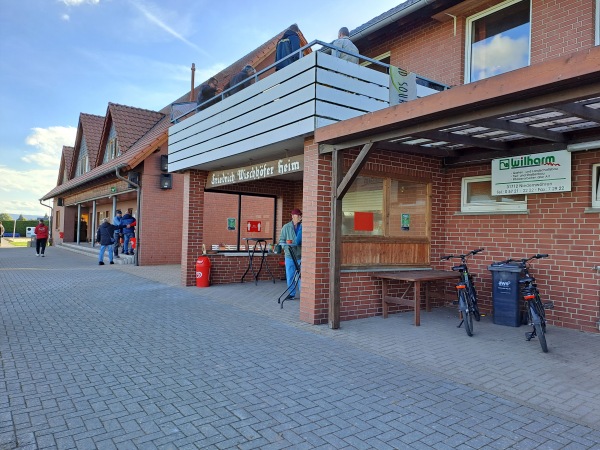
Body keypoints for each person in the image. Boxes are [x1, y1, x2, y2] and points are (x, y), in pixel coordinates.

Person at [279, 208, 302, 300]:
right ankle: (291, 294)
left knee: (301, 276)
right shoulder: (286, 227)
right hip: (289, 256)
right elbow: (281, 240)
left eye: (300, 215)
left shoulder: (303, 226)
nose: (300, 217)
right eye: (298, 215)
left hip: (300, 255)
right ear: (293, 216)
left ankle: (303, 294)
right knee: (290, 275)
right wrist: (286, 249)